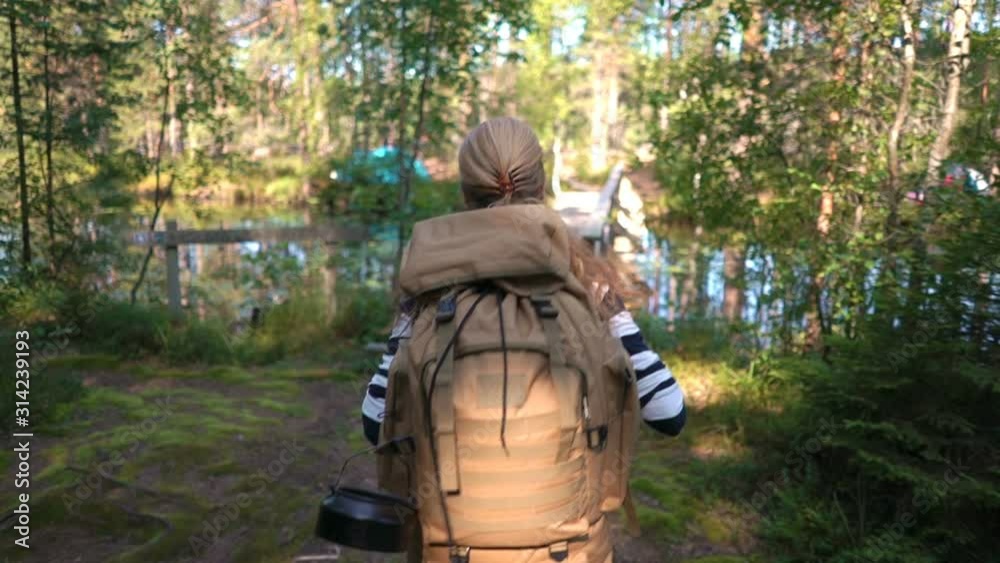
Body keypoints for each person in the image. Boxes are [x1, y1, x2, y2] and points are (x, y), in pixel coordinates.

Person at [360, 117, 686, 562]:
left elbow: (375, 425)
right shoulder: (589, 288)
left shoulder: (426, 295)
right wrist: (620, 322)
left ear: (465, 191)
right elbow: (669, 414)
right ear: (541, 185)